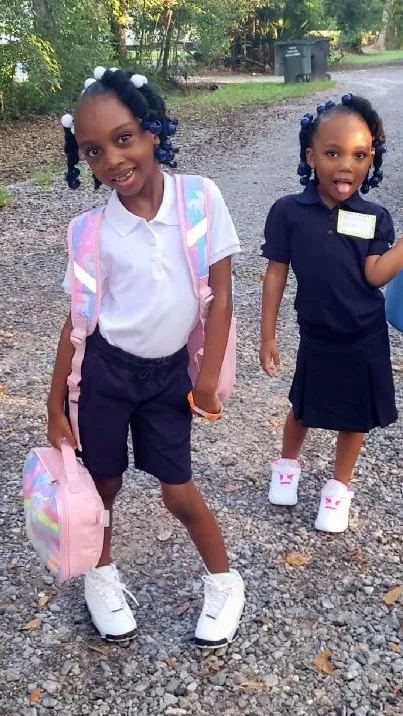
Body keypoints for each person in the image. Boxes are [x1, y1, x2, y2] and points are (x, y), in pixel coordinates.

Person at [46, 65, 244, 646]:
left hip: (167, 378)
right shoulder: (91, 231)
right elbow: (76, 323)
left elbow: (223, 291)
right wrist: (54, 402)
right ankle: (100, 577)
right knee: (101, 486)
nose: (111, 159)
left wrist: (206, 379)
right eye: (93, 150)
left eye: (124, 137)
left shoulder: (201, 198)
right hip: (106, 374)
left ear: (153, 129)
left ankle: (224, 582)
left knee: (178, 491)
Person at [260, 94, 403, 533]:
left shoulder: (374, 217)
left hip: (363, 335)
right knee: (302, 405)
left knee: (355, 417)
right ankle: (287, 466)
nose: (346, 165)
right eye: (333, 153)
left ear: (371, 159)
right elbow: (275, 275)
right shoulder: (289, 212)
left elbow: (376, 274)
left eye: (359, 155)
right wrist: (267, 335)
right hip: (317, 334)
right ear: (311, 156)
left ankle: (338, 490)